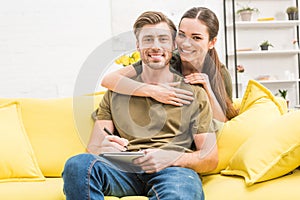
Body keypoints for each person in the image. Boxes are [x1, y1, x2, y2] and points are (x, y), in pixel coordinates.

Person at [62, 11, 218, 200]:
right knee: (77, 165)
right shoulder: (116, 92)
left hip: (172, 171)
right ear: (137, 45)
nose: (155, 46)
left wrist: (170, 158)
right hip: (123, 170)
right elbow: (93, 148)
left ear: (173, 45)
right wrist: (103, 147)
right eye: (148, 40)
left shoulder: (194, 93)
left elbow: (210, 158)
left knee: (179, 193)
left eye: (163, 39)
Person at [101, 7, 238, 122]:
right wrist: (153, 91)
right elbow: (109, 79)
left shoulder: (219, 72)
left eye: (196, 37)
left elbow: (222, 123)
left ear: (212, 43)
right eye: (182, 35)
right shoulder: (168, 60)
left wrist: (208, 89)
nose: (185, 43)